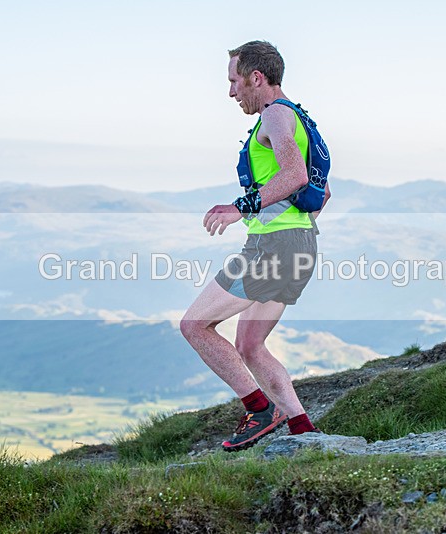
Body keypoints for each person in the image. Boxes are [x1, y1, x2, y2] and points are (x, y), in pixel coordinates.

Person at [179, 40, 330, 451]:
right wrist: (295, 233)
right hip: (299, 245)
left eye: (234, 81)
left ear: (256, 78)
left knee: (194, 325)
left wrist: (240, 208)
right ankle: (303, 433)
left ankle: (260, 409)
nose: (231, 92)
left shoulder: (276, 116)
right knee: (249, 345)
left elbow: (296, 175)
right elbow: (323, 191)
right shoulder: (300, 119)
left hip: (274, 248)